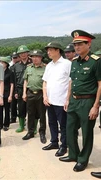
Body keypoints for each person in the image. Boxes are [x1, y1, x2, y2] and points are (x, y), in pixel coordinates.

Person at [56, 30, 101, 173]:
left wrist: (95, 106)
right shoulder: (74, 62)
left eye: (80, 44)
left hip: (88, 102)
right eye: (75, 45)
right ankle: (73, 154)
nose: (77, 47)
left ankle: (83, 160)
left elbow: (100, 84)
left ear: (89, 44)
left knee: (87, 133)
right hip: (74, 101)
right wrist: (68, 99)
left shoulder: (96, 61)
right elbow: (71, 81)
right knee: (70, 129)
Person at [42, 41, 71, 158]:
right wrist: (45, 96)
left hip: (61, 101)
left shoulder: (67, 64)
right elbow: (45, 82)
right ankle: (54, 142)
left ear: (58, 50)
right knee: (52, 122)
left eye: (50, 50)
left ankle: (64, 145)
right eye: (47, 50)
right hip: (50, 100)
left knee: (63, 125)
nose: (48, 52)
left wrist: (68, 99)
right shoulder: (49, 65)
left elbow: (70, 82)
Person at [22, 50, 47, 144]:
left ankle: (42, 132)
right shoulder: (28, 68)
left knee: (42, 114)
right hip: (30, 93)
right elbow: (25, 81)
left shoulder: (45, 68)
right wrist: (24, 93)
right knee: (30, 113)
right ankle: (30, 132)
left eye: (37, 57)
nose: (35, 58)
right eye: (33, 57)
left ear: (41, 58)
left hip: (41, 93)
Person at [13, 45, 32, 132]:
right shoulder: (16, 66)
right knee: (21, 108)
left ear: (28, 53)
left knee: (32, 109)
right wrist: (15, 92)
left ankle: (33, 127)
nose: (23, 55)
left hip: (31, 89)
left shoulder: (33, 63)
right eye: (21, 53)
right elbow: (15, 80)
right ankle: (21, 126)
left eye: (24, 53)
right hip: (20, 89)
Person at [0, 57, 14, 131]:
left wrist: (10, 95)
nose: (1, 64)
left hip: (7, 93)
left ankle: (6, 124)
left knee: (7, 110)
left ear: (6, 64)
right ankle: (0, 124)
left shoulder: (10, 72)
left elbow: (12, 84)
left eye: (2, 62)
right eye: (0, 62)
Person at [10, 52, 20, 123]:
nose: (14, 59)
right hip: (13, 87)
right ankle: (13, 118)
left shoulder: (21, 66)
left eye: (16, 57)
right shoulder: (11, 67)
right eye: (13, 57)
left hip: (19, 87)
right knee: (13, 105)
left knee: (20, 105)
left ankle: (22, 118)